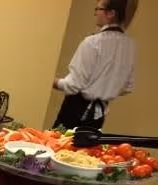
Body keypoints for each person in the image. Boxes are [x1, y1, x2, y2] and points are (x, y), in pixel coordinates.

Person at [52, 0, 137, 130]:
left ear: (111, 13)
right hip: (99, 115)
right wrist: (105, 89)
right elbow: (127, 87)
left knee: (60, 147)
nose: (95, 13)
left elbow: (73, 85)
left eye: (98, 9)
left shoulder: (93, 42)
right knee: (87, 150)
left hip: (75, 111)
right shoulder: (130, 46)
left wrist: (51, 81)